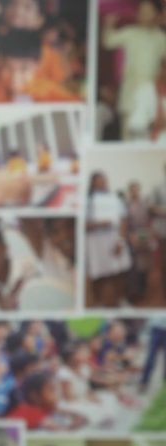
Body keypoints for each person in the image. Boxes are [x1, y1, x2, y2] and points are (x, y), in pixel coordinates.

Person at [102, 1, 166, 141]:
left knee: (150, 137)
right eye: (142, 11)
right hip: (130, 91)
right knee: (127, 137)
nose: (144, 15)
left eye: (148, 11)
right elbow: (108, 41)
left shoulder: (161, 38)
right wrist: (108, 25)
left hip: (151, 95)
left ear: (156, 14)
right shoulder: (131, 32)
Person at [86, 172, 132, 307]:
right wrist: (99, 224)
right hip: (96, 243)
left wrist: (121, 241)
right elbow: (81, 224)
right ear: (93, 183)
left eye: (105, 180)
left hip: (115, 239)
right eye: (100, 181)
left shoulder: (115, 199)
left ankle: (121, 300)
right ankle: (101, 304)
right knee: (101, 277)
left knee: (120, 273)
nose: (103, 183)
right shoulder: (87, 201)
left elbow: (124, 221)